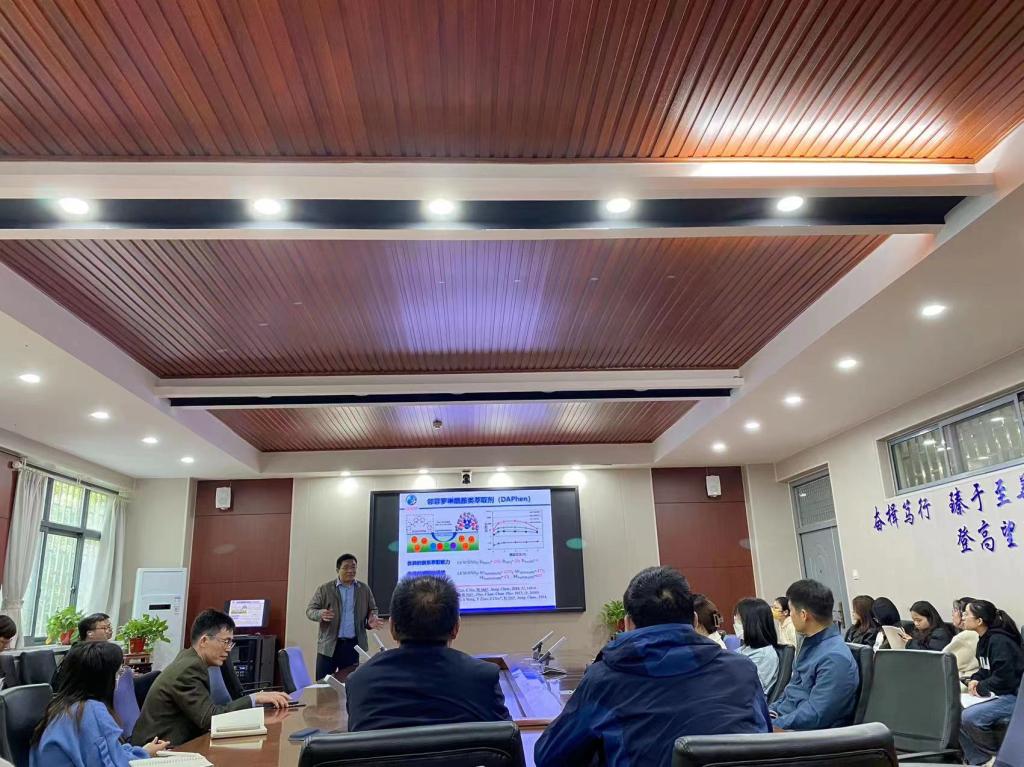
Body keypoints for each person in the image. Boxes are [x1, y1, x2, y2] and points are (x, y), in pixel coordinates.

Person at [534, 567, 769, 767]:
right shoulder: (742, 671)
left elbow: (550, 757)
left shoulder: (604, 680)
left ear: (627, 624)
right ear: (695, 620)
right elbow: (764, 742)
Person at [346, 575, 510, 731]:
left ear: (393, 628)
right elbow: (508, 741)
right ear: (455, 628)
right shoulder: (483, 678)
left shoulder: (359, 682)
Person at [131, 609, 291, 746]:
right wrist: (254, 698)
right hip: (158, 750)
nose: (228, 649)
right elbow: (209, 718)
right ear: (204, 641)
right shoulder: (189, 668)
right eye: (225, 642)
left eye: (230, 643)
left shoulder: (189, 658)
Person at [30, 641, 167, 766]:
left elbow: (109, 751)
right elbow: (112, 763)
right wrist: (145, 755)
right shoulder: (91, 711)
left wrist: (143, 751)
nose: (118, 678)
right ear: (104, 678)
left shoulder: (62, 707)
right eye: (117, 673)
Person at [769, 579, 858, 731]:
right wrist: (766, 714)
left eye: (791, 611)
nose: (790, 616)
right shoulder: (811, 645)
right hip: (787, 724)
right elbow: (789, 694)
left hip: (805, 735)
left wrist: (773, 725)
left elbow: (816, 714)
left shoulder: (834, 658)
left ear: (803, 615)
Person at [959, 600, 1024, 765]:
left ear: (979, 621)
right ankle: (980, 759)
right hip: (999, 693)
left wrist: (981, 687)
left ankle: (996, 756)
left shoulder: (1000, 642)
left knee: (969, 717)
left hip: (1014, 697)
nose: (962, 617)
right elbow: (986, 669)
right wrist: (976, 679)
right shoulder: (984, 639)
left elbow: (1006, 679)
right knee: (952, 709)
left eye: (966, 614)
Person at [306, 553, 385, 680]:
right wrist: (320, 614)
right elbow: (310, 610)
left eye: (353, 567)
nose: (350, 571)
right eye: (346, 567)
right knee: (323, 683)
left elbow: (373, 609)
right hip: (329, 645)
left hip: (352, 645)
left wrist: (371, 619)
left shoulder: (363, 589)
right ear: (338, 570)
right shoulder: (325, 589)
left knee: (349, 682)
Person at [734, 598, 779, 693]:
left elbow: (748, 689)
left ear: (752, 624)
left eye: (739, 620)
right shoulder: (744, 649)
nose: (735, 623)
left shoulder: (764, 655)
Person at [944, 596, 980, 679]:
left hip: (968, 680)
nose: (952, 613)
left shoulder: (966, 636)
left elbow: (943, 663)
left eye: (955, 610)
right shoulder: (975, 632)